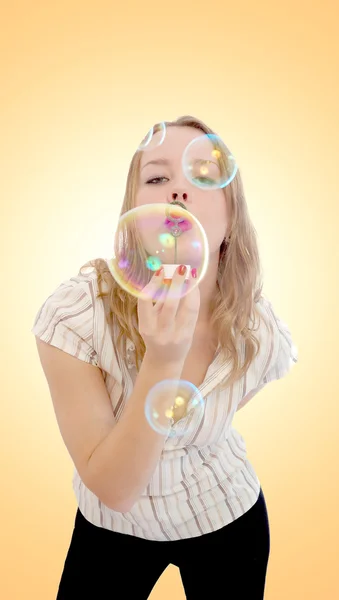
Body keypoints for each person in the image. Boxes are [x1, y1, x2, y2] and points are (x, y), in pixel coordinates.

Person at [31, 115, 298, 599]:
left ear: (231, 217)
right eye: (157, 177)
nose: (178, 190)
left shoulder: (256, 328)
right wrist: (163, 360)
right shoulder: (73, 316)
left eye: (202, 176)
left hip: (226, 511)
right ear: (132, 211)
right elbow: (114, 490)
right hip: (113, 526)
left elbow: (223, 408)